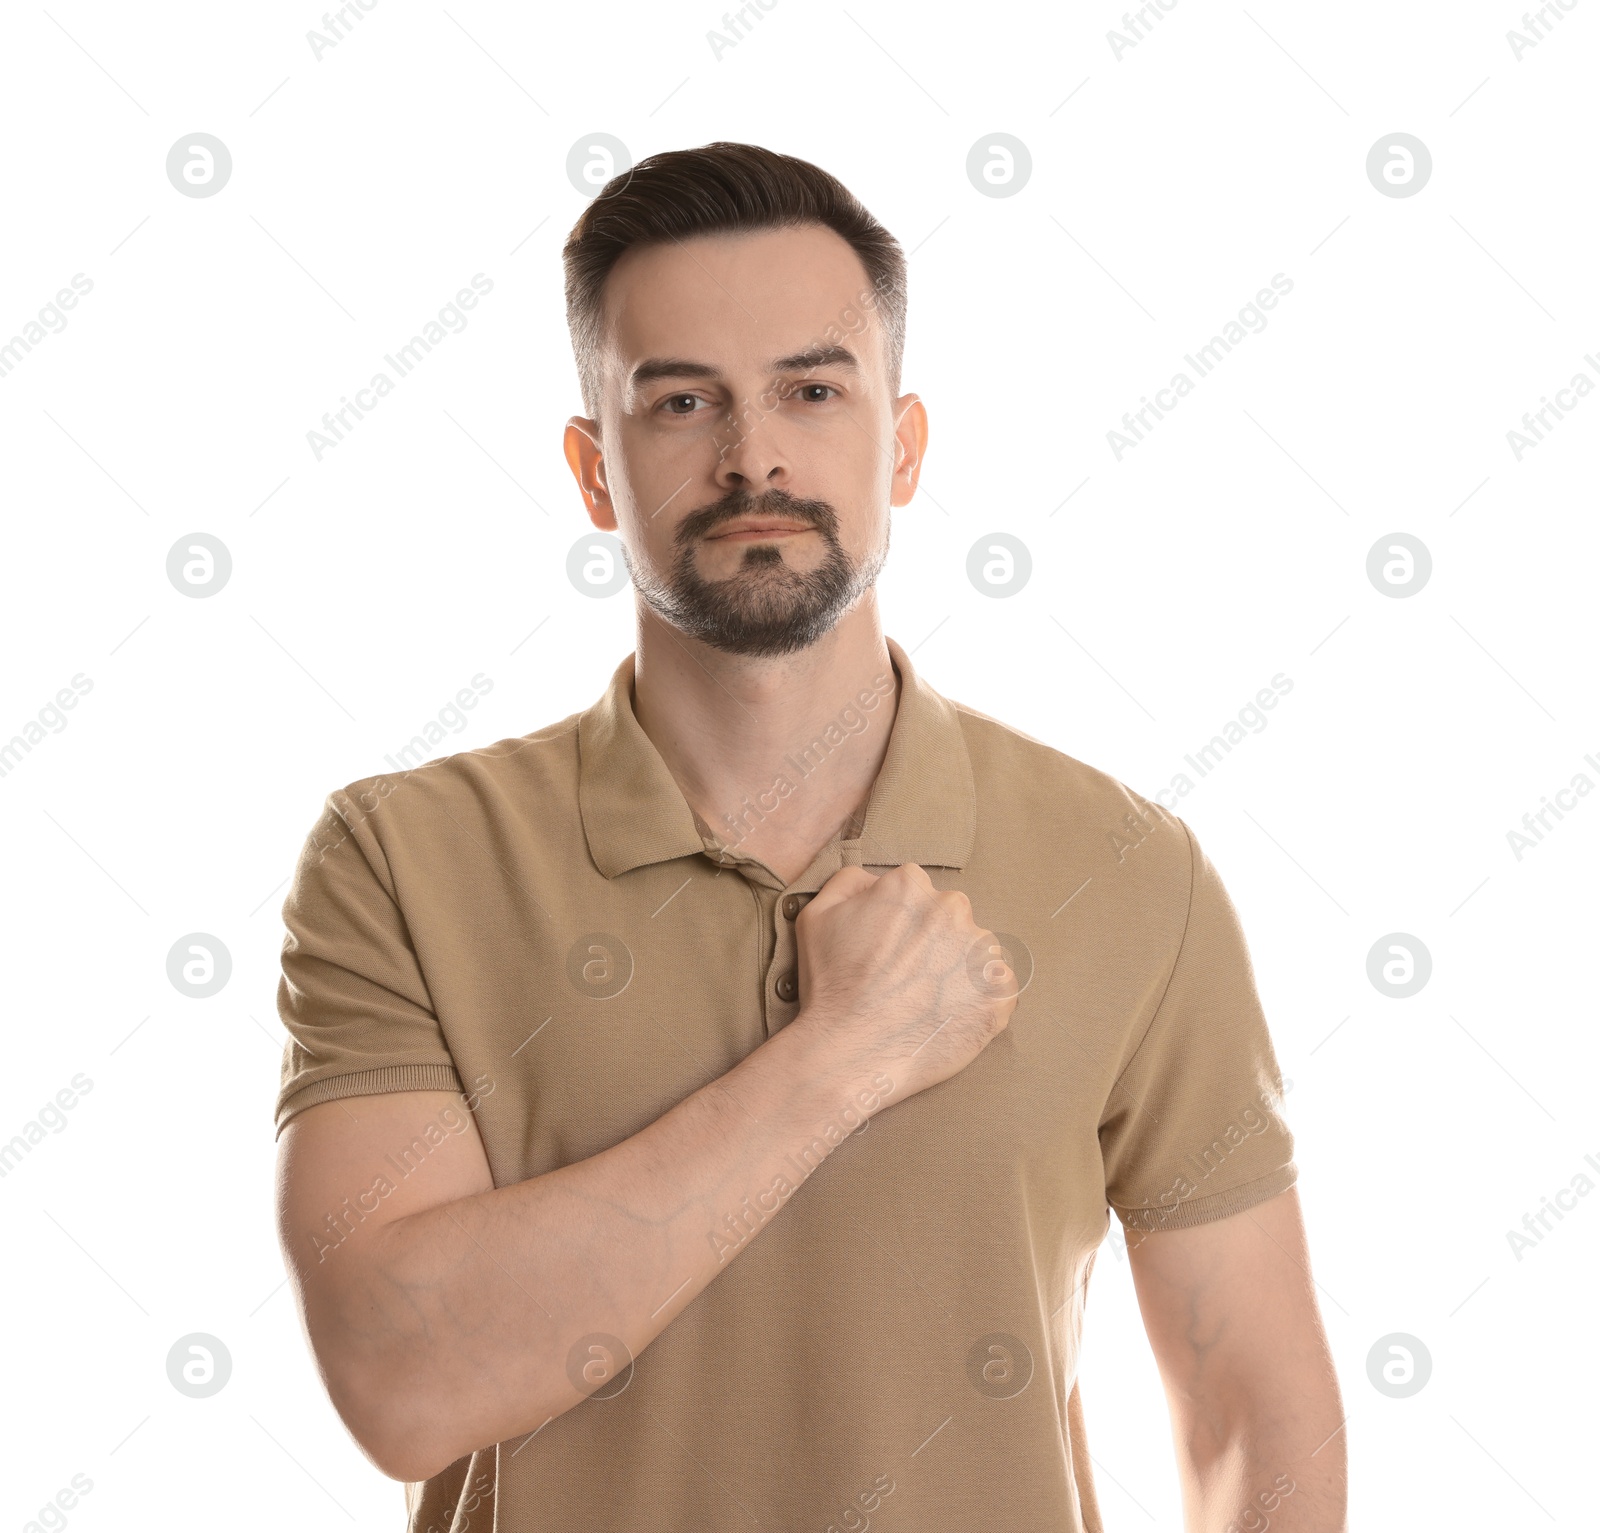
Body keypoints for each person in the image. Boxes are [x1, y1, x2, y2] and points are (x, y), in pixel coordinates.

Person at [273, 141, 1346, 1533]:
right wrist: (843, 1054)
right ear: (596, 471)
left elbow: (1258, 1409)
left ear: (899, 445)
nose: (753, 454)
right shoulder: (400, 860)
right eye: (681, 403)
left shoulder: (1131, 870)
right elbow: (402, 1379)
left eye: (811, 389)